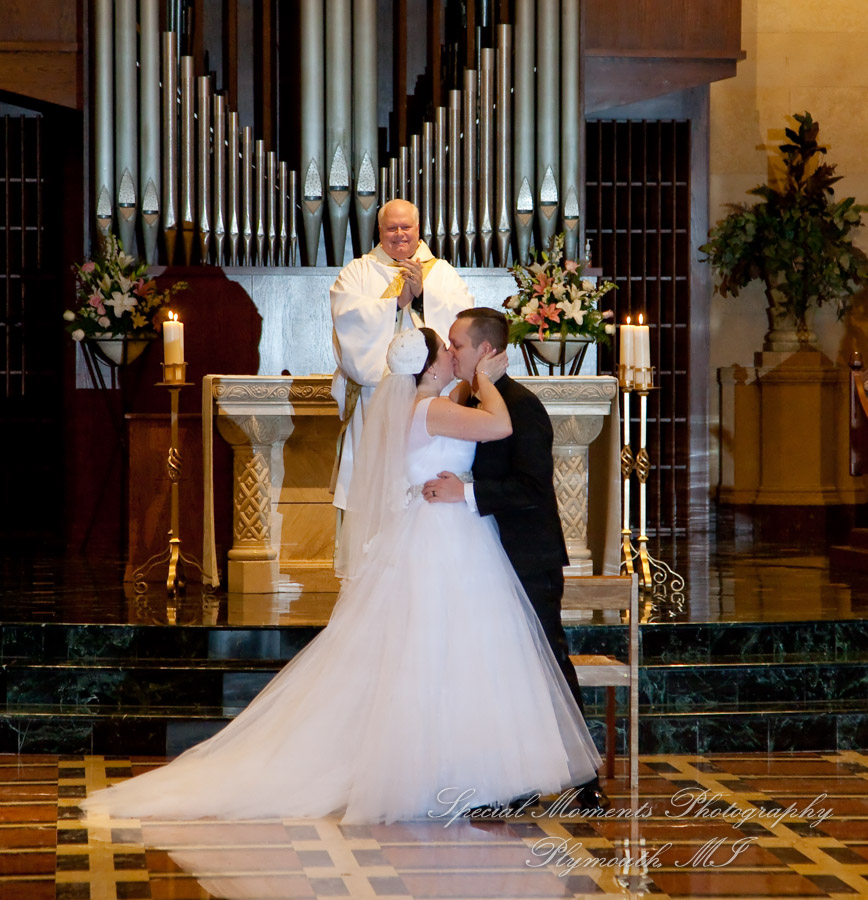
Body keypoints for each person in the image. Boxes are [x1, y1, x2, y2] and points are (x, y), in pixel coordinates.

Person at [80, 328, 601, 825]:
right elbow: (498, 427)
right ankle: (445, 772)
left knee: (454, 655)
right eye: (445, 347)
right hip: (445, 539)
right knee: (441, 654)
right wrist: (486, 380)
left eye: (455, 344)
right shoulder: (434, 408)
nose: (450, 350)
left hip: (453, 535)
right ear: (427, 366)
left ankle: (473, 771)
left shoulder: (427, 407)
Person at [422, 308, 610, 811]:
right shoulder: (469, 400)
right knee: (504, 672)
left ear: (486, 351)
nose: (452, 352)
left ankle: (583, 777)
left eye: (458, 344)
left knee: (548, 663)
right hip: (486, 562)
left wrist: (465, 492)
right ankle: (513, 779)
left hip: (527, 556)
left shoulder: (521, 406)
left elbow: (531, 487)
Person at [329, 198, 472, 510]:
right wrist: (395, 301)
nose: (399, 234)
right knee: (378, 490)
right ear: (379, 231)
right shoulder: (358, 272)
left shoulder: (443, 274)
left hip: (432, 400)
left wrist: (423, 295)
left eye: (405, 227)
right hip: (375, 396)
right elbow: (348, 318)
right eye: (391, 227)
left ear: (418, 229)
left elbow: (463, 318)